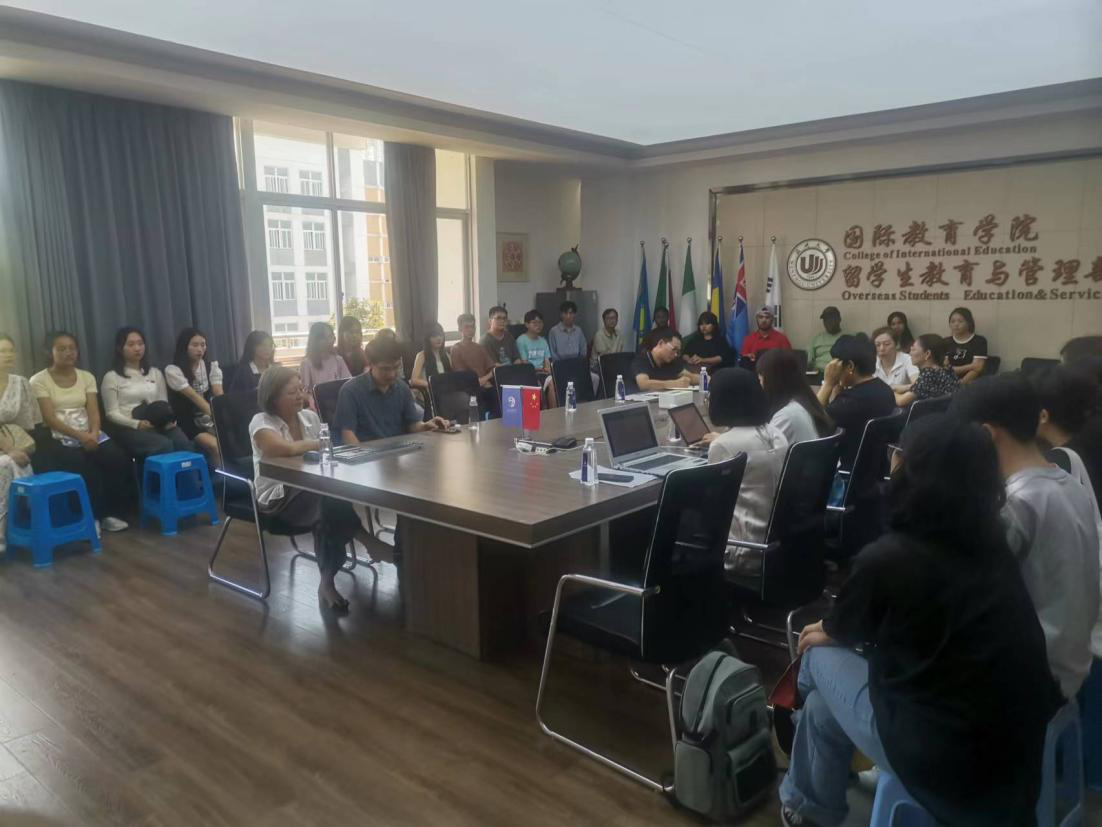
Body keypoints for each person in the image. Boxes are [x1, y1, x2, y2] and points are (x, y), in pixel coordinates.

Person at [779, 415, 1062, 827]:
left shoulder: (889, 558)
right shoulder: (992, 540)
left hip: (943, 756)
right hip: (1011, 747)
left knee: (813, 657)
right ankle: (807, 806)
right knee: (823, 707)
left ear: (909, 468)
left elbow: (844, 630)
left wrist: (828, 631)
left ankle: (790, 726)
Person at [952, 374, 1099, 699]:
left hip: (1029, 681)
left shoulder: (1014, 505)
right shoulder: (1069, 483)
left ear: (986, 434)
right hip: (1072, 664)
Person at [249, 366, 365, 610]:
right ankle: (366, 540)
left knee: (325, 505)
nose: (300, 396)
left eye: (301, 389)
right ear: (273, 397)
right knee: (325, 500)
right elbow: (282, 449)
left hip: (311, 492)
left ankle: (327, 582)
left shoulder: (309, 418)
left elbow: (326, 450)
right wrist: (315, 443)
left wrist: (317, 445)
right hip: (276, 499)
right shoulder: (261, 422)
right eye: (292, 392)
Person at [30, 331, 132, 533]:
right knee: (83, 465)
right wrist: (81, 437)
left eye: (72, 348)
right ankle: (89, 518)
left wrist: (93, 434)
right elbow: (49, 418)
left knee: (117, 458)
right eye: (62, 349)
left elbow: (93, 411)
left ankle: (110, 514)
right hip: (58, 435)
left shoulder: (86, 377)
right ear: (50, 352)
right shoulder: (38, 380)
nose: (68, 353)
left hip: (89, 431)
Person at [706, 368, 788, 568]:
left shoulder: (723, 445)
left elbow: (712, 503)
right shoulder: (776, 433)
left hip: (742, 551)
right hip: (778, 544)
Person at [334, 338, 450, 445]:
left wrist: (426, 426)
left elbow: (412, 424)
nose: (392, 374)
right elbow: (347, 435)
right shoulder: (351, 391)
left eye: (396, 367)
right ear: (371, 364)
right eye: (385, 369)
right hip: (367, 455)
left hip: (398, 452)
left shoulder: (402, 388)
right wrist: (363, 457)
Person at [101, 326, 192, 459]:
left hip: (157, 423)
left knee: (182, 442)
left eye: (140, 344)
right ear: (120, 348)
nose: (137, 348)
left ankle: (189, 473)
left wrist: (167, 420)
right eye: (131, 344)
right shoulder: (111, 377)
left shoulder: (155, 373)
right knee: (163, 445)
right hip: (129, 428)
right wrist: (136, 424)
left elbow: (163, 403)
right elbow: (111, 413)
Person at [816, 335, 895, 470]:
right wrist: (839, 386)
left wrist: (828, 384)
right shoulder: (884, 389)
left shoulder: (851, 401)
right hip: (876, 468)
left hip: (849, 471)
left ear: (850, 366)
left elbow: (813, 422)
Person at [0, 334, 40, 553]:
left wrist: (19, 448)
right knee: (7, 463)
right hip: (7, 447)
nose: (7, 355)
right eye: (1, 351)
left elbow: (27, 423)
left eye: (10, 350)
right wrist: (9, 449)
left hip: (15, 440)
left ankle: (14, 530)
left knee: (12, 462)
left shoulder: (20, 383)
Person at [166, 327, 224, 466]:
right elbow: (193, 397)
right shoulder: (173, 370)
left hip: (209, 418)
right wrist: (216, 415)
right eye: (195, 345)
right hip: (187, 421)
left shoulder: (212, 367)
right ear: (184, 347)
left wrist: (224, 415)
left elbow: (218, 394)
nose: (200, 349)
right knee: (216, 445)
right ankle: (222, 479)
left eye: (203, 345)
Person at [756, 348, 833, 444]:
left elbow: (765, 448)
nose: (760, 385)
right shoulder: (806, 404)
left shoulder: (785, 416)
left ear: (772, 381)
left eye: (760, 380)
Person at [893, 334, 960, 407]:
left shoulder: (928, 375)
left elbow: (901, 401)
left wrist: (890, 391)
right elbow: (917, 387)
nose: (910, 353)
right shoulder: (946, 368)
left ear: (927, 354)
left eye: (913, 349)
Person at [298, 322, 351, 408]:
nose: (333, 339)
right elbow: (303, 391)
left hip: (339, 402)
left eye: (333, 336)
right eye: (329, 337)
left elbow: (348, 382)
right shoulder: (307, 363)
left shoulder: (338, 360)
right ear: (318, 340)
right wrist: (310, 399)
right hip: (318, 405)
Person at [630, 330, 698, 391]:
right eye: (674, 349)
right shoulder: (642, 360)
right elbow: (644, 384)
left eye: (677, 351)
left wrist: (703, 379)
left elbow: (691, 377)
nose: (675, 354)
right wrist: (674, 384)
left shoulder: (672, 361)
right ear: (661, 343)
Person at [449, 313, 495, 389]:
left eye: (472, 327)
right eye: (467, 327)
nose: (470, 330)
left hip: (485, 383)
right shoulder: (456, 349)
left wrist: (484, 379)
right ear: (460, 329)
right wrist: (479, 382)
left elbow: (493, 369)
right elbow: (461, 375)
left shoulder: (480, 347)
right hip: (468, 387)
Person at [409, 322, 452, 399]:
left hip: (446, 393)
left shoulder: (446, 355)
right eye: (434, 336)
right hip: (429, 394)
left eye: (440, 335)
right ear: (428, 338)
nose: (439, 338)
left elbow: (452, 376)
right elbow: (414, 380)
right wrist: (432, 384)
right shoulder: (422, 355)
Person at [946, 307, 987, 384]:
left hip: (972, 383)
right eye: (952, 321)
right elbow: (944, 368)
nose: (956, 324)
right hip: (948, 381)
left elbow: (978, 368)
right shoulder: (946, 341)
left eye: (960, 321)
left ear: (969, 323)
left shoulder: (979, 341)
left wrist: (961, 383)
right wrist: (971, 366)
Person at [871, 326, 918, 391]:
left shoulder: (907, 359)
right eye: (878, 345)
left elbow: (917, 385)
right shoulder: (872, 362)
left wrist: (897, 387)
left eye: (887, 344)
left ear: (896, 344)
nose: (881, 348)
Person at [808, 306, 843, 372]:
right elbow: (808, 361)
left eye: (831, 318)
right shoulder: (817, 338)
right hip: (819, 372)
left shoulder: (848, 337)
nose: (828, 322)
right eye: (825, 319)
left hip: (840, 374)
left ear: (839, 319)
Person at [589, 308, 624, 372]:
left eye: (613, 318)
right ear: (604, 320)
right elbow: (607, 358)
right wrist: (617, 338)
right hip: (598, 365)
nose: (611, 320)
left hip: (614, 364)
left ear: (617, 320)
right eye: (608, 318)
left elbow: (620, 355)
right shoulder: (599, 335)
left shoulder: (619, 333)